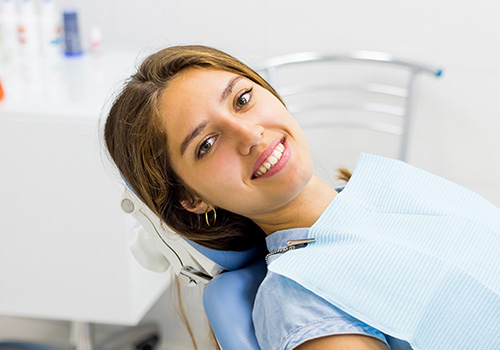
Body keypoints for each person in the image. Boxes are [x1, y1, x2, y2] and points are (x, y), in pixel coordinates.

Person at [104, 45, 500, 350]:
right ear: (192, 200)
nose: (251, 135)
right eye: (207, 144)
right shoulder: (300, 298)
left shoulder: (383, 190)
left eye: (242, 99)